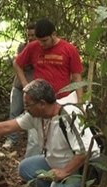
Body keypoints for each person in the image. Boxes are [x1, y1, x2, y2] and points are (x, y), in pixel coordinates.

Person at [13, 18, 84, 156]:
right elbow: (17, 63)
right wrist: (25, 85)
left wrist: (80, 102)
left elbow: (77, 77)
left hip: (62, 101)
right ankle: (33, 173)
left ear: (54, 34)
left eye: (44, 41)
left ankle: (61, 168)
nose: (41, 44)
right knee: (34, 138)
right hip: (39, 102)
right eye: (39, 40)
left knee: (62, 137)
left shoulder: (69, 49)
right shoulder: (34, 46)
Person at [3, 23, 36, 150]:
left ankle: (33, 144)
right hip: (18, 86)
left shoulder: (42, 48)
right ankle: (11, 139)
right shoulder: (22, 47)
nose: (31, 38)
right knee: (14, 113)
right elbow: (20, 64)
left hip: (34, 87)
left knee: (34, 114)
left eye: (33, 35)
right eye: (29, 36)